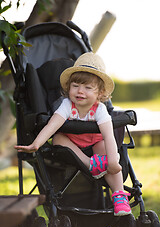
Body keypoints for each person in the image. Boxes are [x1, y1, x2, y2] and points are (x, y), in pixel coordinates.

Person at [14, 52, 131, 216]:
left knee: (108, 153)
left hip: (95, 142)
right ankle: (90, 163)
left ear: (100, 93)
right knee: (58, 138)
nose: (80, 91)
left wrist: (112, 160)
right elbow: (52, 125)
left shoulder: (100, 110)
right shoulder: (67, 105)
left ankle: (119, 195)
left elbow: (108, 135)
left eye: (88, 87)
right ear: (69, 87)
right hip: (73, 143)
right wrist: (37, 143)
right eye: (75, 86)